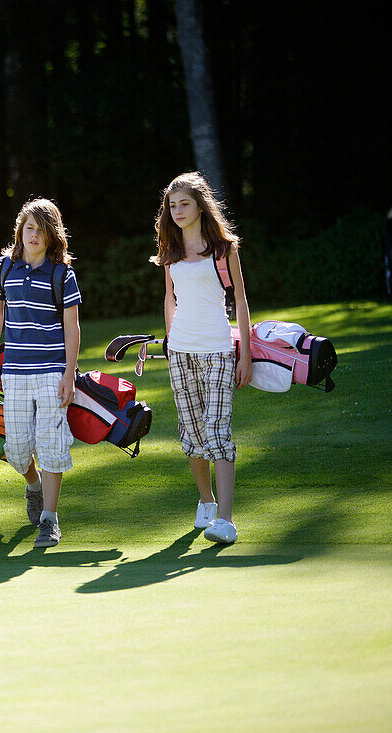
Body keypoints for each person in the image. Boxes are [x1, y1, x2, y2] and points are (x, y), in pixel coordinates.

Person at [150, 172, 251, 545]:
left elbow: (240, 300)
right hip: (181, 352)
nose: (177, 211)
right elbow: (169, 299)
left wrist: (247, 356)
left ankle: (225, 520)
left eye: (184, 204)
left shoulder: (223, 248)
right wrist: (171, 340)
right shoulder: (170, 250)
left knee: (217, 432)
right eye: (172, 206)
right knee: (191, 434)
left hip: (219, 350)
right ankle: (206, 503)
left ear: (200, 205)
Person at [0, 198, 81, 549]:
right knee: (17, 450)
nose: (34, 235)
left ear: (52, 234)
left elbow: (72, 327)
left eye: (41, 229)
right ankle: (33, 484)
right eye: (29, 228)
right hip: (15, 371)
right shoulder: (3, 267)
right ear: (19, 231)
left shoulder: (62, 274)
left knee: (52, 444)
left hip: (53, 371)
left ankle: (49, 520)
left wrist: (69, 373)